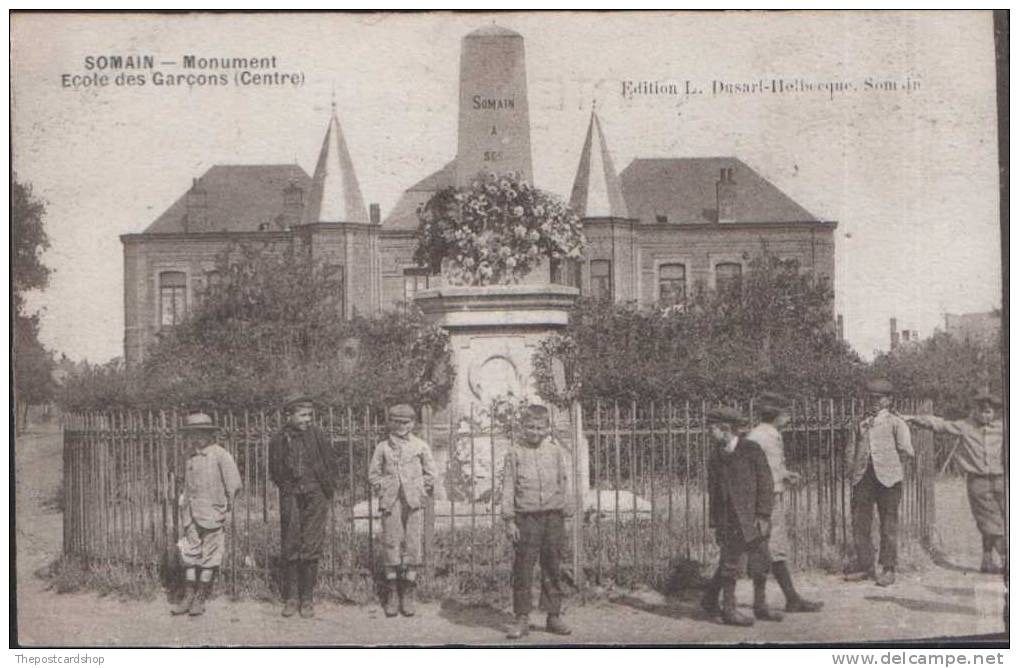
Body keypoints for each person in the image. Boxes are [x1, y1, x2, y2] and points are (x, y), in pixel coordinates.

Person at [908, 391, 1005, 573]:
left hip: (1001, 480)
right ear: (975, 410)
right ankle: (1007, 558)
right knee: (990, 522)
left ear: (995, 412)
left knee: (1003, 520)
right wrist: (913, 418)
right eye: (982, 410)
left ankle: (986, 560)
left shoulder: (1002, 427)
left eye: (989, 411)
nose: (985, 415)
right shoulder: (965, 426)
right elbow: (939, 424)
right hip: (979, 482)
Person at [744, 393, 823, 613]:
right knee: (767, 548)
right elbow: (755, 472)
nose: (789, 418)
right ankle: (787, 599)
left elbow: (769, 467)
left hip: (772, 496)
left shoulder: (768, 434)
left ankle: (789, 598)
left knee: (769, 548)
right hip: (765, 501)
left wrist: (784, 474)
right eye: (786, 413)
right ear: (776, 415)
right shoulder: (760, 437)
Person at [501, 404, 574, 639]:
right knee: (523, 568)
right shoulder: (514, 453)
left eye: (540, 427)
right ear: (522, 427)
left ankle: (553, 615)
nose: (535, 432)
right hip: (527, 518)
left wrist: (567, 515)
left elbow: (563, 482)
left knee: (552, 566)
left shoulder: (554, 451)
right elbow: (508, 486)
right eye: (530, 427)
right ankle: (521, 618)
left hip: (553, 516)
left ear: (547, 428)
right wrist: (509, 520)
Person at [704, 405, 777, 626]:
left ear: (725, 429)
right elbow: (714, 493)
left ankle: (761, 606)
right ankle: (729, 610)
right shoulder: (716, 456)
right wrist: (715, 523)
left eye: (712, 428)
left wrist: (763, 514)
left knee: (761, 562)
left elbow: (766, 483)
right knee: (729, 565)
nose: (709, 432)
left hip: (753, 518)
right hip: (729, 520)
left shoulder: (751, 450)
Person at [268, 393, 338, 618]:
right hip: (290, 494)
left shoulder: (317, 435)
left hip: (316, 494)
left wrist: (325, 488)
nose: (308, 419)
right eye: (303, 415)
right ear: (289, 416)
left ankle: (307, 599)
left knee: (311, 544)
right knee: (290, 543)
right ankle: (291, 598)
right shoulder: (278, 439)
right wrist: (289, 487)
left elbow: (330, 463)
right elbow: (275, 470)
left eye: (310, 415)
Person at [368, 403, 436, 617]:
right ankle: (392, 593)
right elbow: (373, 474)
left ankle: (408, 591)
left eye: (405, 422)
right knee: (391, 541)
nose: (401, 426)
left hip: (413, 502)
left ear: (413, 424)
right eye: (396, 422)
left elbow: (431, 473)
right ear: (390, 423)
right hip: (391, 502)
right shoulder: (383, 447)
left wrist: (419, 488)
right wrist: (384, 488)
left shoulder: (420, 446)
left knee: (413, 542)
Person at [172, 412, 242, 617]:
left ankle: (200, 599)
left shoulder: (220, 455)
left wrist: (228, 510)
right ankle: (188, 596)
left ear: (210, 434)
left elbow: (234, 485)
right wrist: (182, 498)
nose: (197, 438)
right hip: (190, 515)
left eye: (201, 433)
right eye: (192, 434)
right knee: (189, 555)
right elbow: (182, 481)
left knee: (210, 557)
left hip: (213, 514)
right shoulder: (188, 456)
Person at [845, 379, 913, 587]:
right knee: (860, 522)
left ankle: (888, 568)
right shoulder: (860, 422)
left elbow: (907, 450)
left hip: (889, 479)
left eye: (879, 398)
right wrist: (852, 472)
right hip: (863, 478)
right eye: (870, 398)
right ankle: (865, 566)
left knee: (888, 523)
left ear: (889, 400)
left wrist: (893, 467)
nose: (874, 402)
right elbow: (850, 450)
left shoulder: (896, 422)